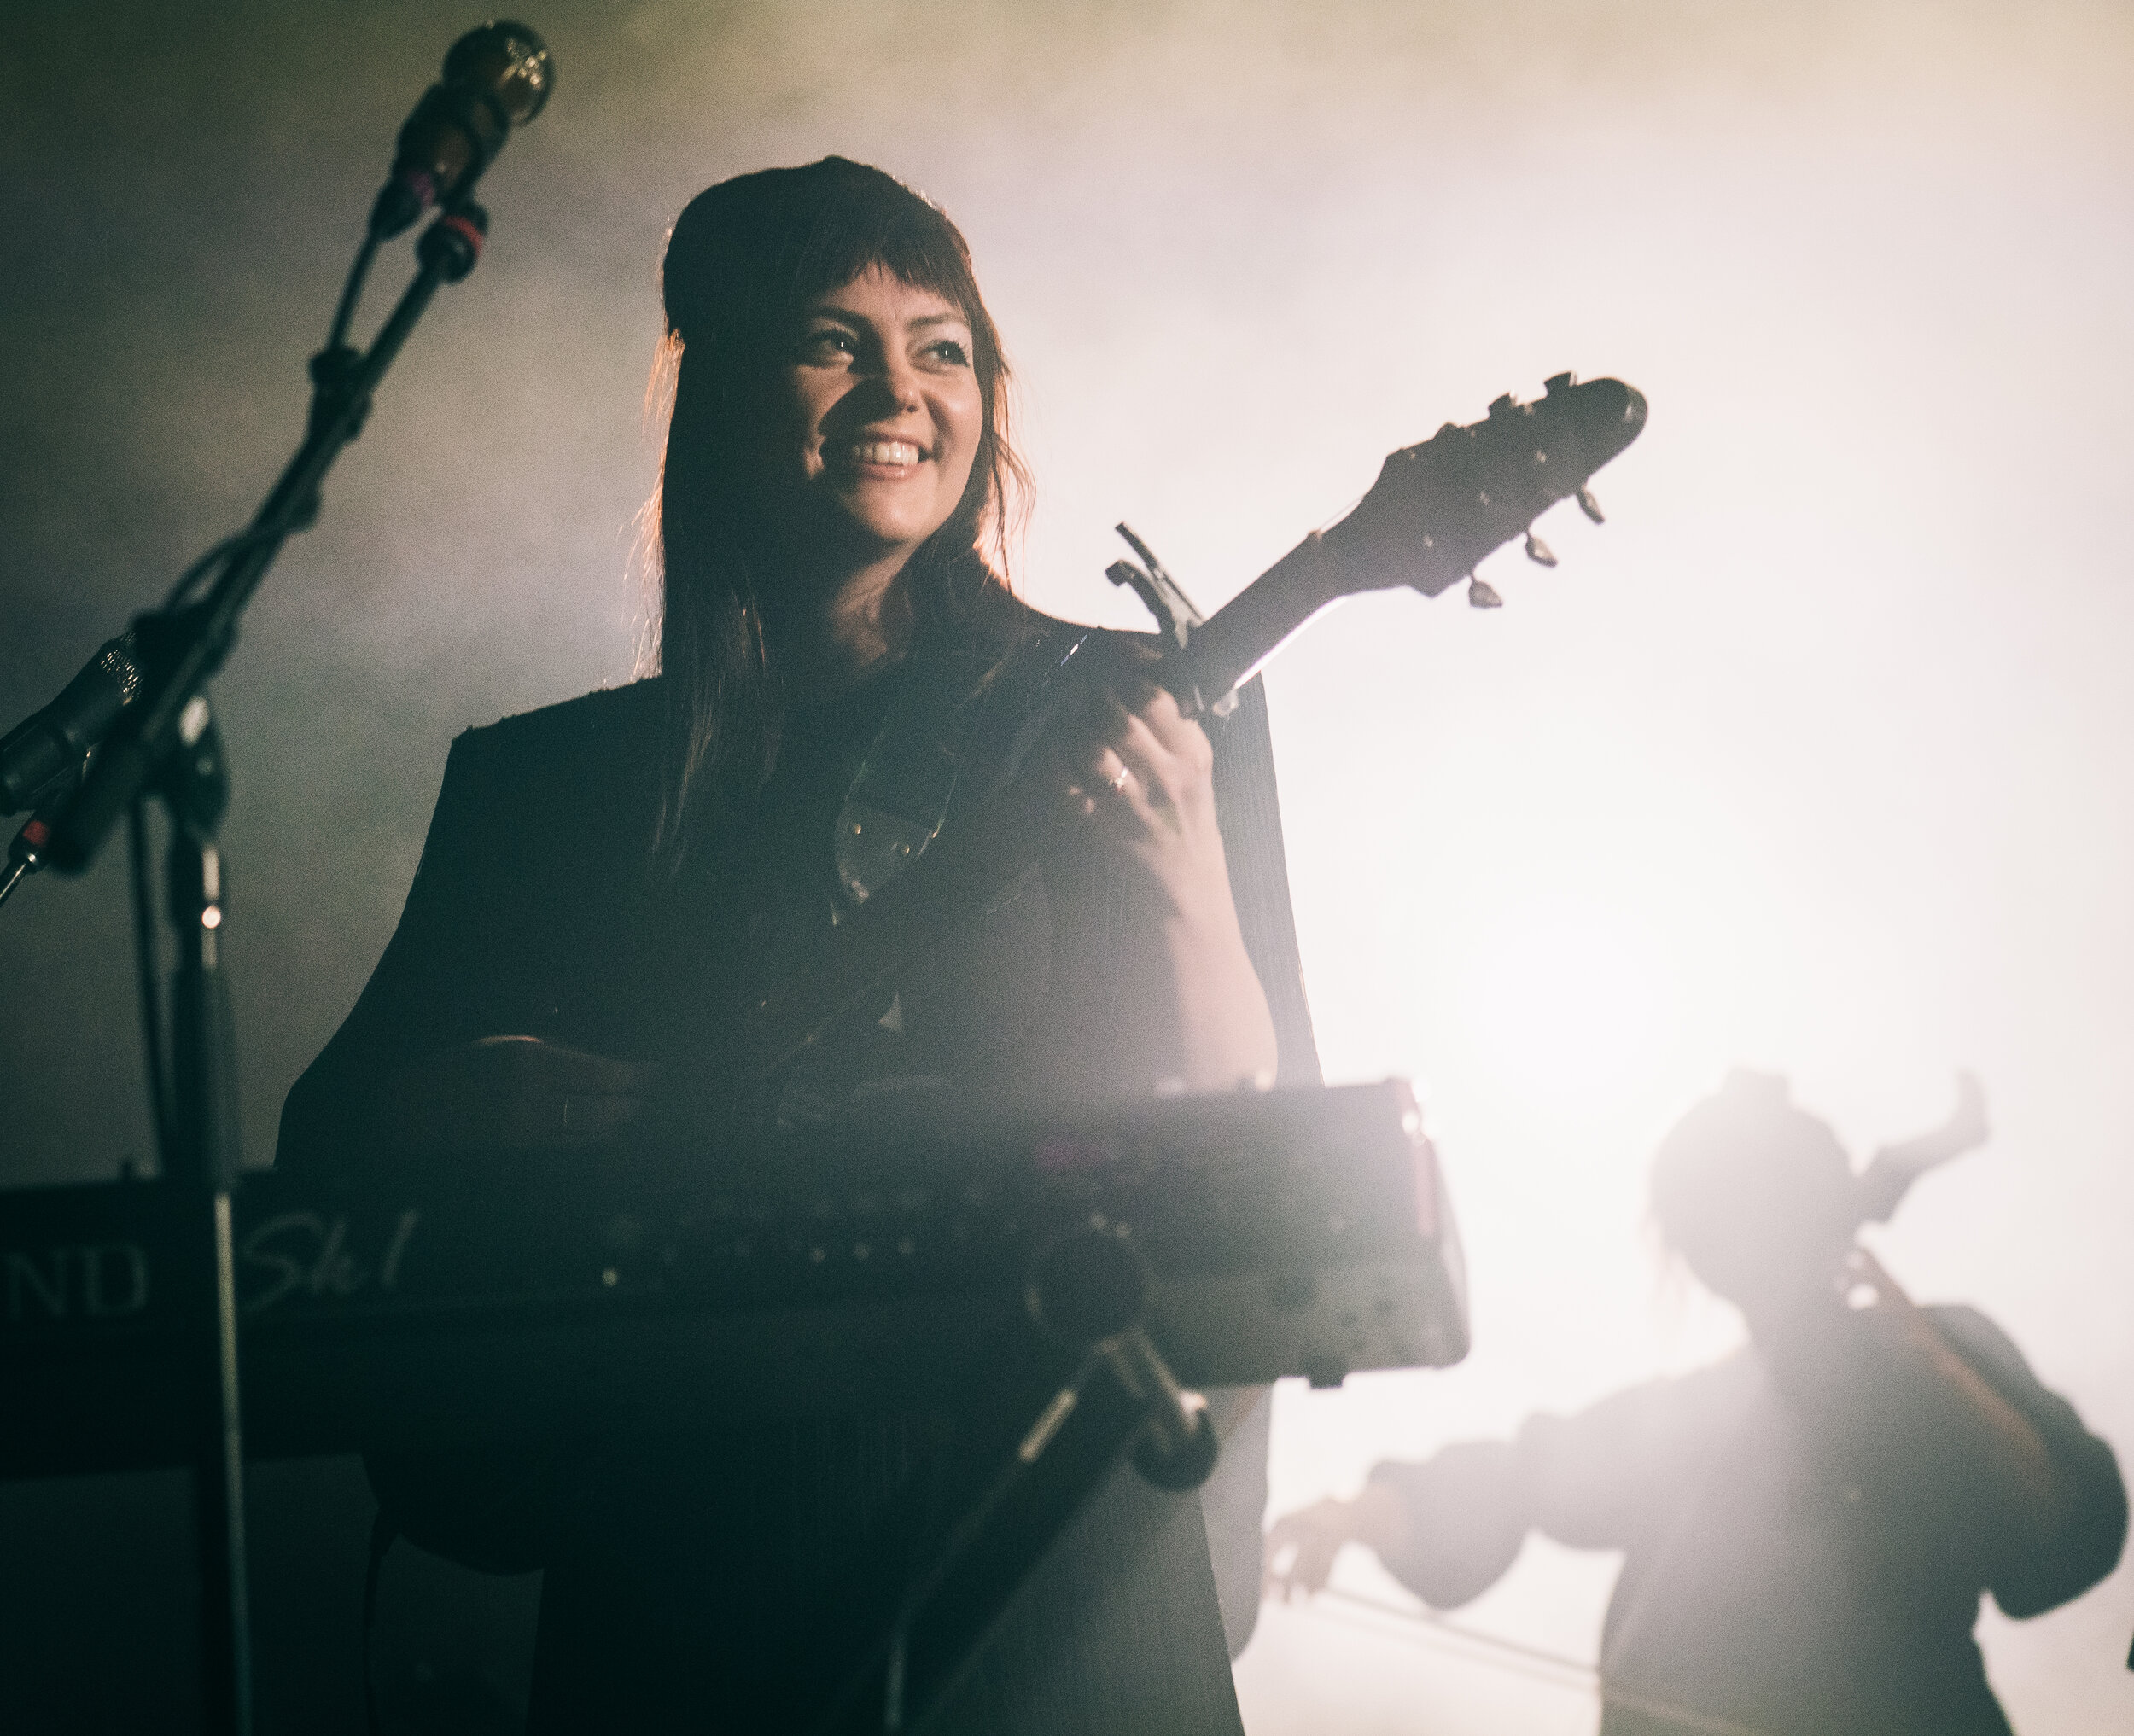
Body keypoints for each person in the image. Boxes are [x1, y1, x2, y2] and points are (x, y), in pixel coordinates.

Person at [277, 157, 1319, 1733]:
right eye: (834, 339)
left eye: (944, 344)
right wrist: (447, 1108)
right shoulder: (543, 781)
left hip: (1054, 1578)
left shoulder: (1129, 707)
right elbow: (329, 1151)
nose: (901, 388)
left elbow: (1277, 1166)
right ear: (723, 396)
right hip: (685, 1580)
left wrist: (1179, 872)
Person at [1264, 1070, 2126, 1736]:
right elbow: (1521, 1476)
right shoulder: (1692, 1419)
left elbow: (2061, 1541)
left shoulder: (1923, 1353)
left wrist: (1928, 1363)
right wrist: (1358, 1511)